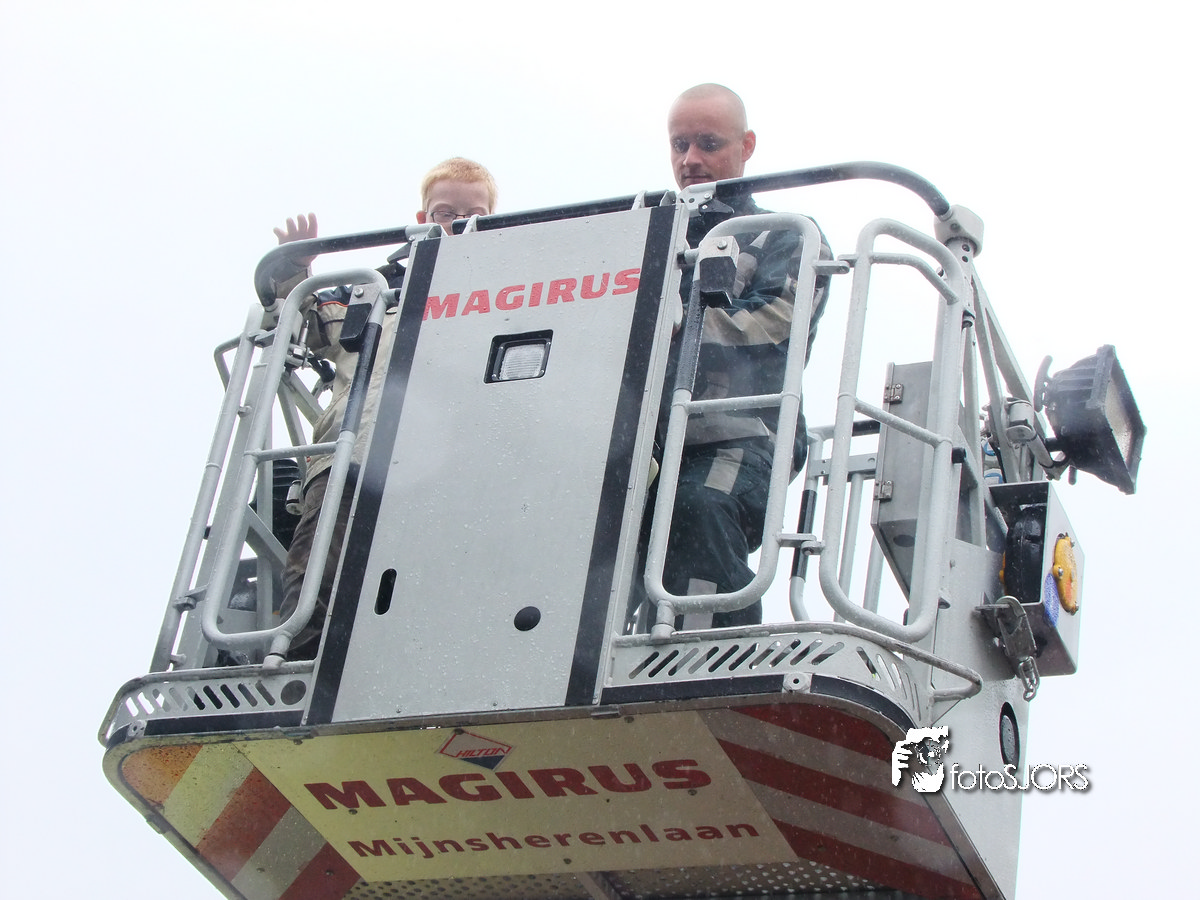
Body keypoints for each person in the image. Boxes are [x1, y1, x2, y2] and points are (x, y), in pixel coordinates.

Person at [273, 158, 498, 659]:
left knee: (431, 581)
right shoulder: (370, 291)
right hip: (352, 453)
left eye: (474, 215)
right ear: (422, 218)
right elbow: (297, 325)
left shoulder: (515, 294)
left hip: (452, 466)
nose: (459, 224)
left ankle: (425, 666)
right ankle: (295, 668)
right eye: (445, 213)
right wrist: (294, 272)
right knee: (318, 573)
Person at [647, 84, 830, 630]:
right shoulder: (648, 237)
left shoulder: (786, 235)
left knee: (696, 508)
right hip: (644, 441)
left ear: (746, 146)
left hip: (743, 434)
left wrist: (671, 324)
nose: (690, 159)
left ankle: (721, 660)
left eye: (708, 143)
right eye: (679, 144)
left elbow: (777, 322)